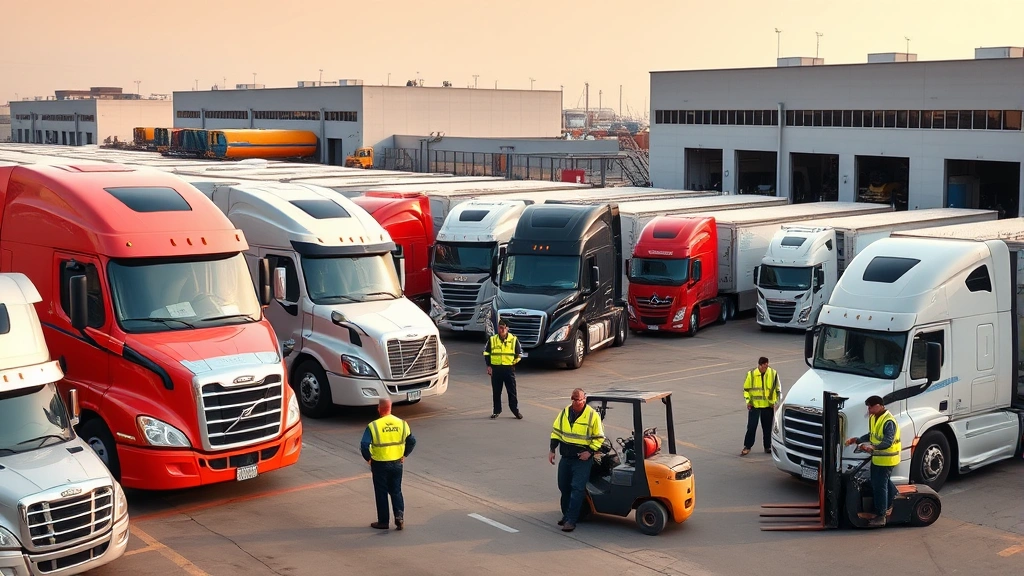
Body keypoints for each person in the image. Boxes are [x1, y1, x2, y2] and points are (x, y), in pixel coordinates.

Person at [548, 388, 605, 532]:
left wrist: (590, 452)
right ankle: (566, 515)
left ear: (584, 399)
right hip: (566, 458)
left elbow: (599, 438)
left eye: (577, 399)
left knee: (577, 489)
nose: (575, 402)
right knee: (564, 487)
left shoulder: (592, 415)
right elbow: (556, 432)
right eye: (573, 399)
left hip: (582, 460)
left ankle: (571, 520)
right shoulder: (565, 413)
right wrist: (552, 449)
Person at [360, 398, 417, 530]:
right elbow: (412, 441)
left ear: (379, 408)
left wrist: (368, 459)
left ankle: (383, 522)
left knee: (381, 492)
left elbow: (364, 445)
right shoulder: (402, 423)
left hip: (379, 464)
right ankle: (399, 516)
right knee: (396, 490)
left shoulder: (373, 426)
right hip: (397, 463)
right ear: (390, 408)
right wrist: (404, 455)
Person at [845, 395, 901, 528]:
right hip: (878, 458)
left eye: (870, 407)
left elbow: (887, 441)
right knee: (881, 482)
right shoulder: (874, 417)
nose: (868, 410)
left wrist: (872, 447)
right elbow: (872, 435)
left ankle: (881, 516)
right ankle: (893, 498)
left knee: (879, 486)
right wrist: (857, 440)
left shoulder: (888, 421)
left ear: (879, 406)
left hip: (887, 458)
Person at [483, 319, 523, 419]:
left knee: (512, 391)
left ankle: (515, 410)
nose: (502, 330)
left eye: (504, 328)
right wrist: (489, 366)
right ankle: (496, 411)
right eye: (500, 328)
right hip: (496, 369)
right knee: (496, 392)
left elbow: (519, 354)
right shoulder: (492, 339)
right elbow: (487, 353)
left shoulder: (513, 339)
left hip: (508, 369)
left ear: (507, 328)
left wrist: (512, 363)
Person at [741, 356, 780, 456]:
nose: (766, 368)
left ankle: (767, 446)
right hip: (755, 405)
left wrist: (775, 402)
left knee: (767, 428)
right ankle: (747, 446)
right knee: (751, 427)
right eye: (764, 366)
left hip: (768, 405)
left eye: (767, 365)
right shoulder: (751, 374)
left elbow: (778, 389)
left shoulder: (773, 373)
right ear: (760, 365)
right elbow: (746, 390)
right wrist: (748, 401)